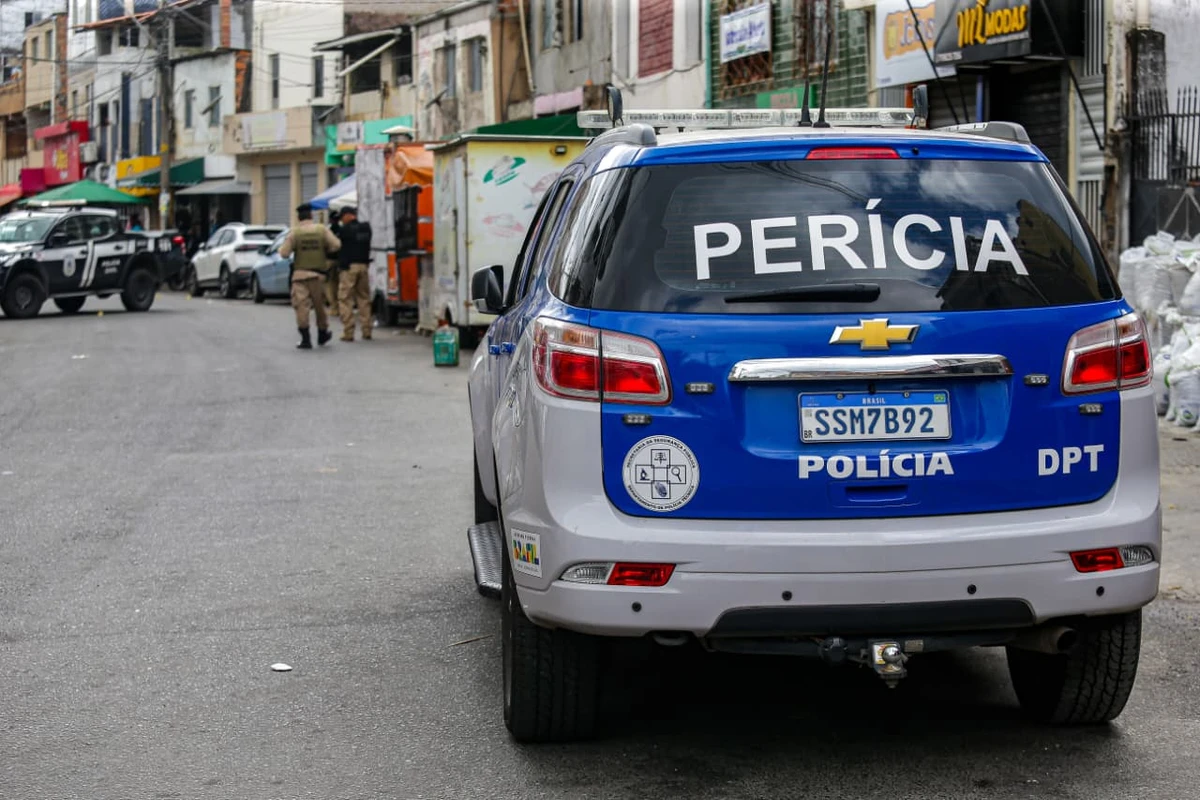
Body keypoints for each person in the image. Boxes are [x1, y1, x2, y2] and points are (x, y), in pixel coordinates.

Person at [279, 203, 340, 350]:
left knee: (301, 307)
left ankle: (305, 339)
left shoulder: (294, 233)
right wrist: (325, 250)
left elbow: (284, 253)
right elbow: (336, 245)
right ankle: (322, 333)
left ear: (299, 217)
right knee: (320, 307)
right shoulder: (321, 230)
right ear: (311, 216)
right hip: (318, 275)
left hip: (300, 276)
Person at [336, 206, 373, 342]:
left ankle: (349, 332)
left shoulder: (344, 230)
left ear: (347, 215)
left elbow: (337, 246)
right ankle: (367, 330)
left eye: (342, 217)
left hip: (349, 268)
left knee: (345, 299)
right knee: (364, 298)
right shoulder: (366, 228)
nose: (341, 220)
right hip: (363, 266)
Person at [325, 208, 343, 312]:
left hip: (329, 260)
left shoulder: (328, 232)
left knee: (329, 284)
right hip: (340, 260)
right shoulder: (342, 230)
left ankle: (334, 306)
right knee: (339, 283)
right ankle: (340, 306)